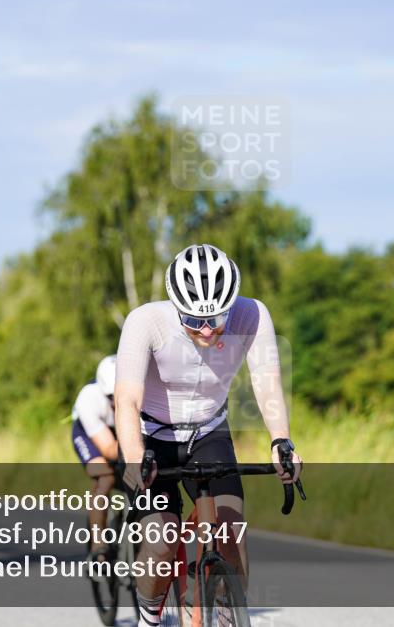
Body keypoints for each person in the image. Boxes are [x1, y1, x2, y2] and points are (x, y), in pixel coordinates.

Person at [114, 243, 303, 627]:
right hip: (152, 437)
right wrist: (135, 457)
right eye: (193, 320)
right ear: (174, 305)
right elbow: (126, 399)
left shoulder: (251, 315)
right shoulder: (146, 321)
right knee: (161, 543)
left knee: (232, 532)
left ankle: (227, 613)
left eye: (215, 318)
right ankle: (149, 618)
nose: (205, 329)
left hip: (209, 432)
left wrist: (280, 440)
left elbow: (266, 382)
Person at [70, 354, 119, 560]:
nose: (117, 402)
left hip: (119, 429)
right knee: (105, 476)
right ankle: (98, 541)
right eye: (111, 397)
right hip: (90, 433)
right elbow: (108, 449)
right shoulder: (89, 399)